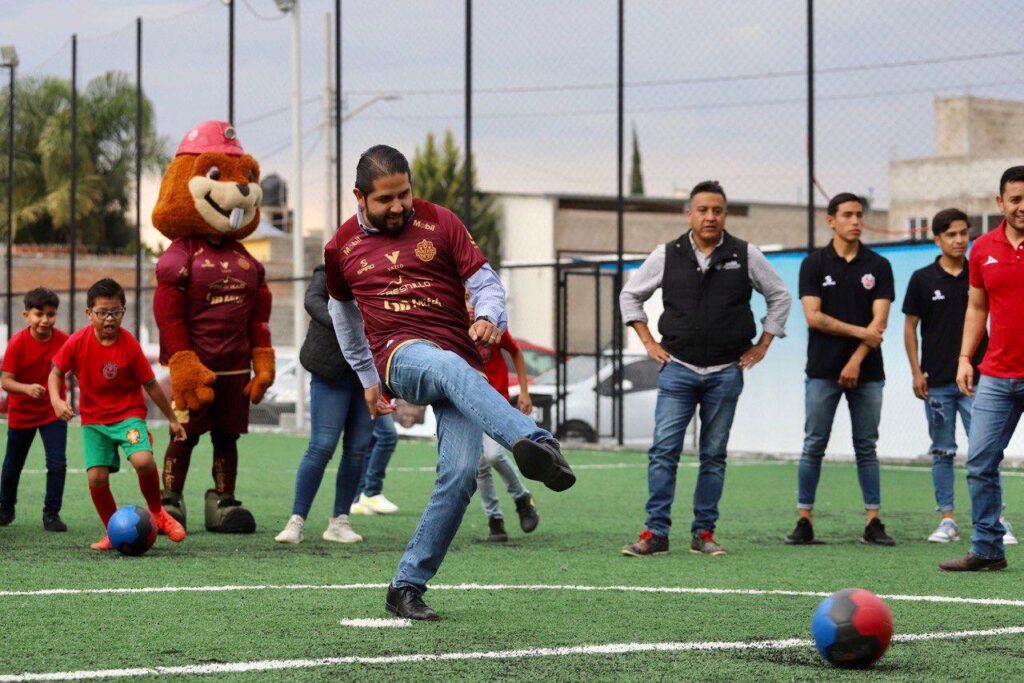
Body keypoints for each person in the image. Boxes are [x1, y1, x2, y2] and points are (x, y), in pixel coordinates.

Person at [325, 144, 575, 621]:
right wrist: (365, 376)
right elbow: (344, 315)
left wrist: (486, 316)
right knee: (447, 366)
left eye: (405, 194)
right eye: (385, 199)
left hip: (461, 366)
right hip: (401, 357)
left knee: (460, 475)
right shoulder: (340, 248)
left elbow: (486, 281)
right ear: (358, 196)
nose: (399, 206)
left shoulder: (441, 221)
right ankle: (537, 441)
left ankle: (406, 586)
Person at [619, 180, 791, 558]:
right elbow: (630, 295)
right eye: (703, 210)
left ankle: (704, 533)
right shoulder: (666, 254)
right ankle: (655, 533)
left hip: (726, 371)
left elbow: (779, 295)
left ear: (725, 214)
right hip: (677, 368)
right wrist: (648, 342)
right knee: (664, 450)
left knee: (713, 454)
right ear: (690, 214)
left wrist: (764, 343)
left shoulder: (746, 254)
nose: (710, 217)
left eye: (717, 210)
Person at [785, 193, 895, 547]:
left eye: (860, 214)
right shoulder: (814, 264)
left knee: (866, 446)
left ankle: (873, 521)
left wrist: (856, 357)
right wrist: (858, 331)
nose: (855, 221)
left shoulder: (878, 265)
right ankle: (804, 520)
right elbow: (813, 317)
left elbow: (879, 324)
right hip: (821, 371)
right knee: (813, 444)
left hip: (868, 372)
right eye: (847, 215)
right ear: (830, 220)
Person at [48, 278, 187, 551]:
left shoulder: (129, 345)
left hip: (128, 417)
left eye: (116, 312)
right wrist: (56, 400)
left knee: (144, 461)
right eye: (102, 313)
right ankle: (112, 531)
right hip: (93, 423)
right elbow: (55, 372)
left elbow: (151, 385)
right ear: (89, 314)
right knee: (96, 478)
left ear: (123, 311)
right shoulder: (78, 341)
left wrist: (172, 418)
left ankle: (158, 513)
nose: (109, 319)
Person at [941, 166, 1024, 572]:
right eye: (1016, 199)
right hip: (996, 374)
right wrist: (964, 358)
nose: (1023, 206)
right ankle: (988, 549)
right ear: (1000, 203)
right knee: (979, 463)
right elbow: (977, 307)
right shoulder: (983, 249)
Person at [275, 265, 373, 544]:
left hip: (369, 371)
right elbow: (313, 299)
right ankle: (296, 521)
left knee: (357, 449)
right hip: (330, 368)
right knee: (322, 445)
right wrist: (346, 323)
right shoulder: (334, 265)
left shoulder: (390, 267)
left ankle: (340, 521)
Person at [467, 291, 540, 543]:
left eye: (470, 298)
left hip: (496, 399)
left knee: (493, 454)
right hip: (466, 402)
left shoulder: (490, 326)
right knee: (480, 465)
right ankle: (494, 521)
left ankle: (522, 497)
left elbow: (516, 352)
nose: (468, 304)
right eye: (462, 297)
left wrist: (524, 392)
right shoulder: (451, 328)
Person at [0, 288, 70, 531]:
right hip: (22, 413)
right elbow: (5, 381)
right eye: (39, 314)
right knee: (12, 464)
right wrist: (26, 389)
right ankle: (5, 509)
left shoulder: (64, 340)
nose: (45, 320)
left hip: (53, 412)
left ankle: (51, 514)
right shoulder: (17, 343)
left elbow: (79, 369)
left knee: (57, 463)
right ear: (26, 315)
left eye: (50, 315)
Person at [350, 415, 400, 515]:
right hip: (368, 399)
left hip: (370, 399)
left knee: (372, 440)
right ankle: (371, 493)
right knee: (387, 435)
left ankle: (359, 498)